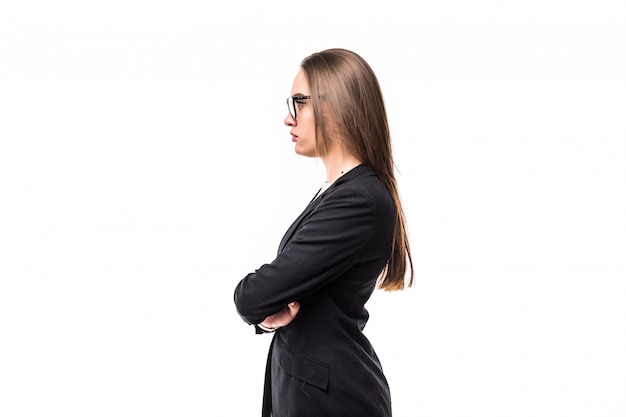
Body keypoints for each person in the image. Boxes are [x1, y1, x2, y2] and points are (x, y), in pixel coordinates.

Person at [234, 48, 413, 417]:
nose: (288, 118)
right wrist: (268, 313)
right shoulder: (339, 191)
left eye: (298, 102)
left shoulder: (358, 200)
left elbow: (251, 296)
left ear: (336, 107)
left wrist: (263, 305)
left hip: (334, 401)